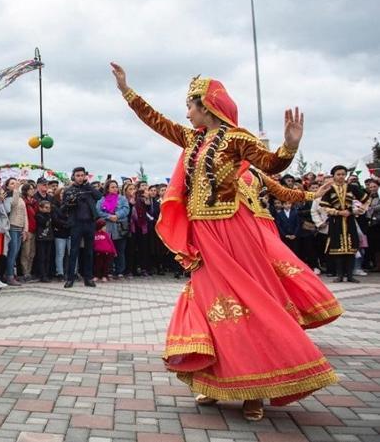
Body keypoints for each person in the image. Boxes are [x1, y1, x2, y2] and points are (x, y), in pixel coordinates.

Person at [111, 62, 340, 420]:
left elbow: (272, 165)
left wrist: (290, 146)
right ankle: (214, 381)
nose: (186, 114)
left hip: (235, 231)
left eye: (190, 106)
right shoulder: (192, 138)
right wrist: (127, 91)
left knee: (249, 302)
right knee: (209, 304)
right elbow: (156, 121)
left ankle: (256, 391)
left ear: (207, 107)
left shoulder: (236, 139)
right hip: (203, 233)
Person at [320, 165, 368, 283]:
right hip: (336, 222)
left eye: (343, 174)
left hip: (350, 221)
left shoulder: (352, 187)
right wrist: (338, 212)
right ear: (334, 176)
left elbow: (366, 200)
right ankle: (340, 275)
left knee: (351, 249)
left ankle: (350, 275)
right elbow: (324, 206)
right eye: (338, 174)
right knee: (338, 249)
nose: (341, 177)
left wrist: (356, 211)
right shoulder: (329, 189)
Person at [62, 167, 102, 288]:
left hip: (90, 223)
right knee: (73, 251)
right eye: (77, 175)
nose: (80, 177)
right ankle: (70, 278)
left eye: (82, 175)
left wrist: (88, 186)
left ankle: (88, 278)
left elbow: (99, 196)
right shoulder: (69, 190)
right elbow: (63, 207)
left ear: (85, 176)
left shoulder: (89, 189)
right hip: (76, 224)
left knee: (89, 252)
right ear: (73, 176)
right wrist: (71, 201)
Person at [96, 180, 130, 278]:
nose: (115, 189)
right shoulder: (102, 200)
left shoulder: (122, 199)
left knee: (120, 250)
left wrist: (117, 215)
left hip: (120, 227)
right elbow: (98, 211)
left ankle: (120, 271)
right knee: (108, 250)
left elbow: (126, 209)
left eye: (116, 187)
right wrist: (108, 216)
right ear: (107, 188)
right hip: (108, 228)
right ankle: (109, 270)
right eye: (112, 187)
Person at [3, 178, 26, 286]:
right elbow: (12, 206)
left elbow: (24, 214)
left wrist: (25, 229)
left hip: (19, 228)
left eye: (15, 183)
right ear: (7, 186)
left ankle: (9, 273)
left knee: (15, 253)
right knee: (12, 253)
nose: (14, 184)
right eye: (12, 183)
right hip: (12, 227)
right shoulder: (7, 196)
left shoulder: (20, 197)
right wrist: (16, 190)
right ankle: (9, 276)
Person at [53, 188, 71, 280]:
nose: (63, 195)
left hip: (70, 232)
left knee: (72, 253)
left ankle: (73, 272)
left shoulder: (70, 205)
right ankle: (59, 272)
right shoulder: (54, 206)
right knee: (60, 254)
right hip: (60, 232)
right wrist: (66, 223)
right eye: (61, 193)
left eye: (65, 193)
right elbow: (55, 219)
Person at [34, 200, 54, 282]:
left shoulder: (49, 215)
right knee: (42, 257)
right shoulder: (39, 215)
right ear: (40, 208)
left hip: (49, 237)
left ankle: (47, 273)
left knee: (48, 257)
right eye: (46, 207)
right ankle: (42, 275)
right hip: (41, 238)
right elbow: (43, 222)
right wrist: (47, 214)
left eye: (49, 208)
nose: (48, 209)